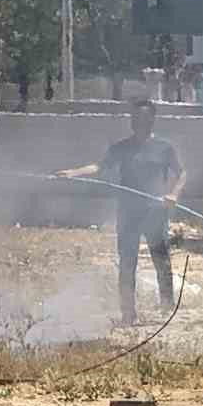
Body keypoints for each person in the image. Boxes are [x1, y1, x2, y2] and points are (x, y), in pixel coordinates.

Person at [56, 99, 187, 326]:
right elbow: (99, 166)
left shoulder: (164, 147)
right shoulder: (121, 147)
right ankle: (128, 314)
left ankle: (167, 309)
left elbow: (182, 172)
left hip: (155, 213)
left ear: (152, 120)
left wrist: (173, 194)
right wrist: (73, 172)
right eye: (134, 118)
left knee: (161, 261)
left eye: (143, 118)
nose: (138, 122)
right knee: (127, 263)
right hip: (128, 214)